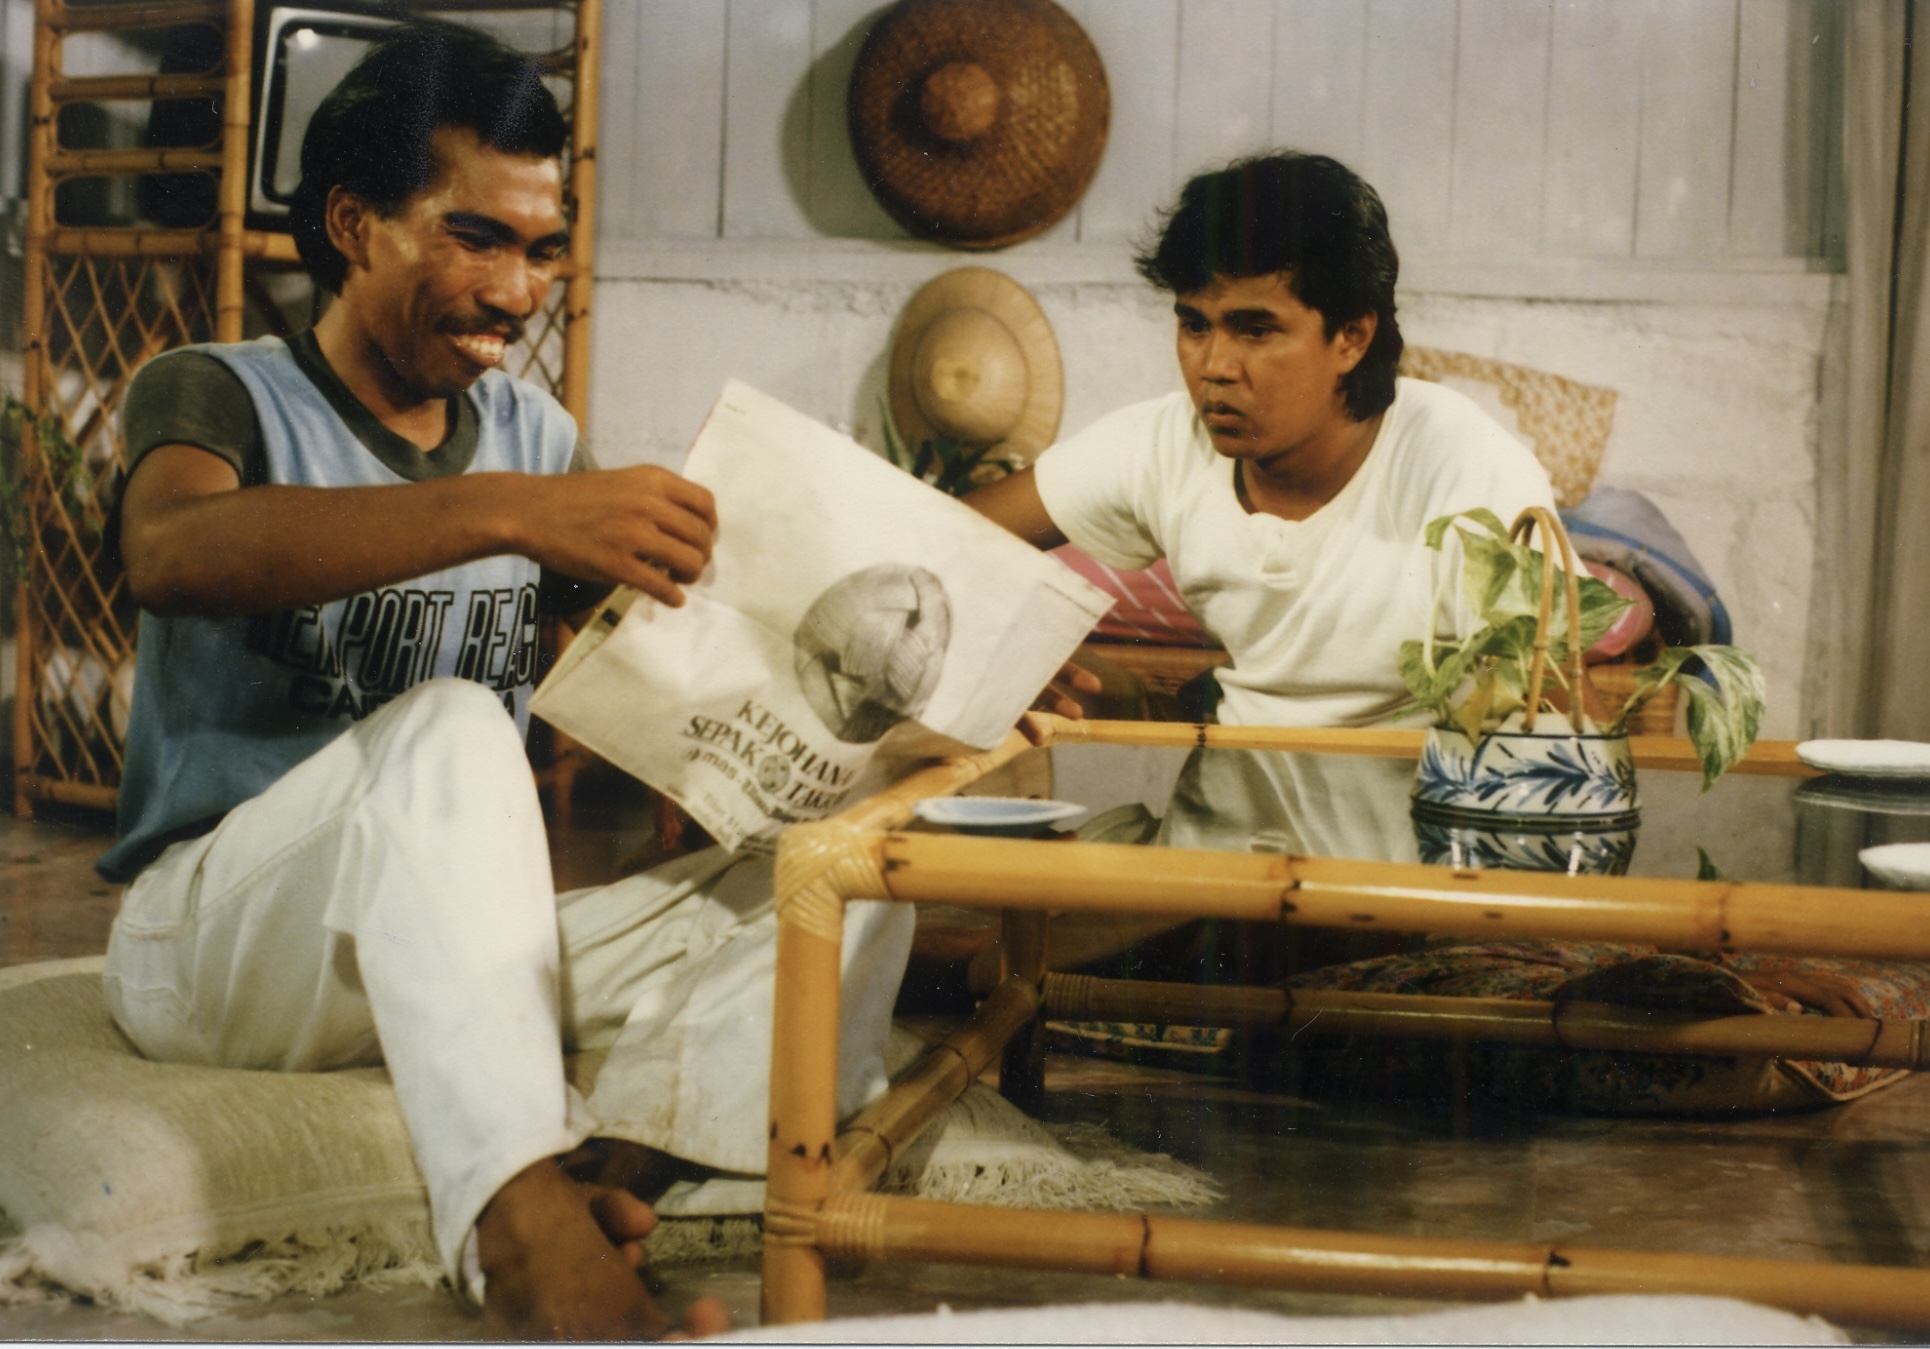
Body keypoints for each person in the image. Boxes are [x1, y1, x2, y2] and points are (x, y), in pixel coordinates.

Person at [98, 22, 909, 1339]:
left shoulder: (533, 434)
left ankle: (611, 1166)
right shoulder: (216, 389)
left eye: (541, 250)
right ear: (353, 226)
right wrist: (512, 512)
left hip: (443, 951)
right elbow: (172, 551)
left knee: (847, 875)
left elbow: (625, 669)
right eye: (476, 239)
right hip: (215, 946)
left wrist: (874, 735)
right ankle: (524, 1233)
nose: (519, 291)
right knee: (454, 724)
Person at [968, 152, 1557, 728]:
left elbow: (1560, 712)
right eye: (1194, 325)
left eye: (1255, 330)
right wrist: (1015, 654)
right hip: (1233, 772)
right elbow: (940, 534)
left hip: (1417, 785)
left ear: (1351, 337)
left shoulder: (1460, 460)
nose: (1214, 367)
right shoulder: (1167, 441)